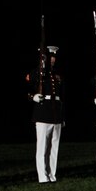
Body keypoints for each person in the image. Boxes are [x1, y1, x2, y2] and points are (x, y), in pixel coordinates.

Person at [26, 45, 65, 183]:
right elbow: (26, 89)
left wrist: (62, 117)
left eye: (54, 56)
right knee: (42, 147)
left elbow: (61, 97)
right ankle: (42, 176)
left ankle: (52, 174)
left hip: (56, 114)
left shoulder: (57, 75)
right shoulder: (37, 73)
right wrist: (33, 97)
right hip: (42, 114)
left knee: (54, 147)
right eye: (51, 56)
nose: (53, 59)